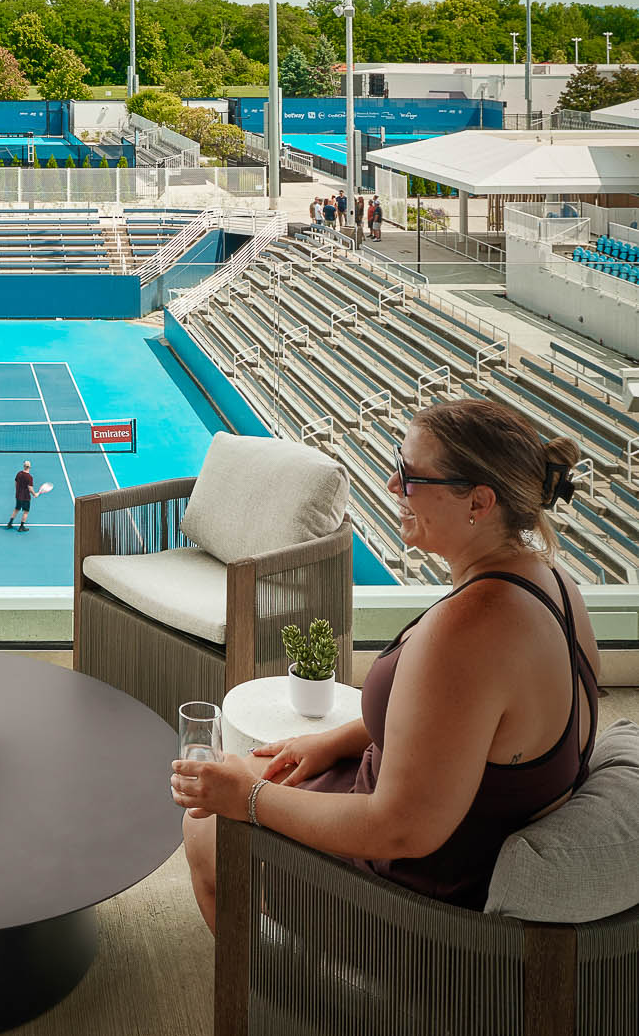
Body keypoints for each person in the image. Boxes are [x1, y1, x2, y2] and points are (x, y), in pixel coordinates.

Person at [172, 399, 597, 931]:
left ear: (479, 502)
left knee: (205, 824)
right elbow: (461, 723)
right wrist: (330, 742)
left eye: (411, 476)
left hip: (417, 878)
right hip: (449, 815)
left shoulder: (469, 629)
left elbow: (400, 829)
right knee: (242, 773)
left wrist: (249, 799)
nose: (395, 488)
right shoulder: (558, 586)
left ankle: (275, 997)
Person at [6, 461, 36, 533]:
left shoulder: (19, 473)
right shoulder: (29, 477)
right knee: (26, 511)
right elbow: (30, 488)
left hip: (18, 496)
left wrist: (18, 491)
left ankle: (10, 523)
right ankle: (21, 527)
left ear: (24, 466)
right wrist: (35, 494)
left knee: (16, 509)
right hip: (25, 497)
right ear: (29, 467)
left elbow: (16, 483)